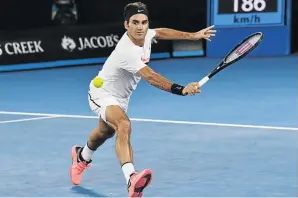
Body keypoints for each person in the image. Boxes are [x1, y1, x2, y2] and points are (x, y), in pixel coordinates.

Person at [70, 2, 216, 197]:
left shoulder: (146, 33)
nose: (140, 27)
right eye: (135, 22)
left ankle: (82, 156)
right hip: (102, 93)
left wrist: (193, 35)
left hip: (122, 97)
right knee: (123, 124)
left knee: (105, 132)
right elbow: (151, 77)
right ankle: (131, 178)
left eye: (144, 22)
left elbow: (160, 32)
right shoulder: (127, 51)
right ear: (126, 25)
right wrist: (181, 90)